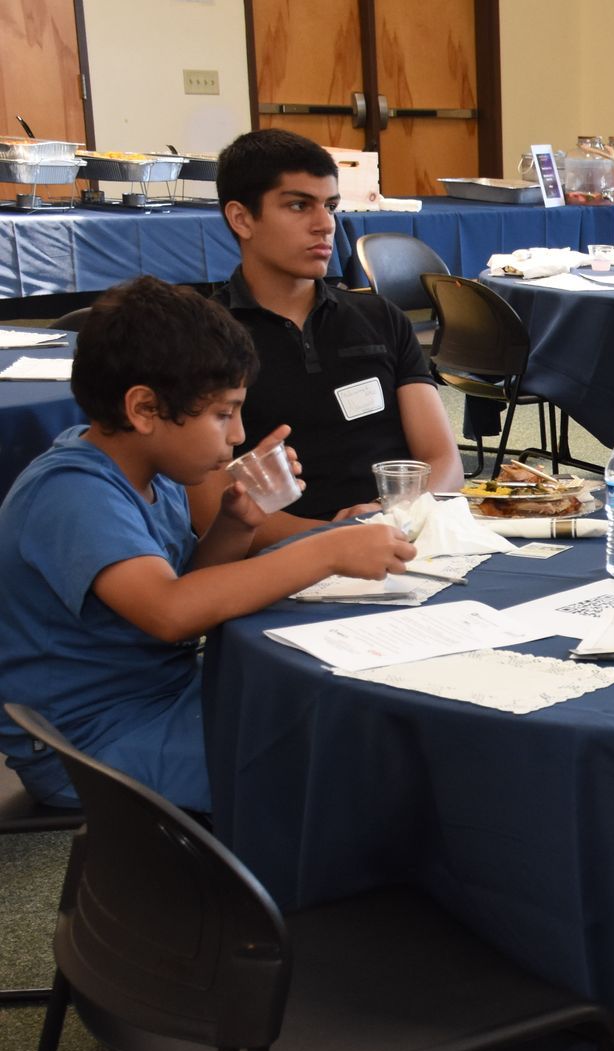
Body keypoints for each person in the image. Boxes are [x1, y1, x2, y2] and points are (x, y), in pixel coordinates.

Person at [0, 278, 415, 816]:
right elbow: (171, 612)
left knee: (336, 718)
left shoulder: (154, 469)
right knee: (330, 777)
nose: (239, 434)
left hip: (162, 699)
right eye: (224, 414)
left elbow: (185, 590)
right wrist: (326, 549)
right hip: (90, 743)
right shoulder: (72, 493)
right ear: (145, 409)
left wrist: (236, 525)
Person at [188, 128, 462, 547]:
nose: (324, 225)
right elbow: (208, 508)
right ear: (242, 218)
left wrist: (391, 520)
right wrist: (336, 539)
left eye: (330, 206)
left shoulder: (380, 317)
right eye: (299, 205)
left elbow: (443, 461)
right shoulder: (201, 336)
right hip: (283, 558)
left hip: (400, 536)